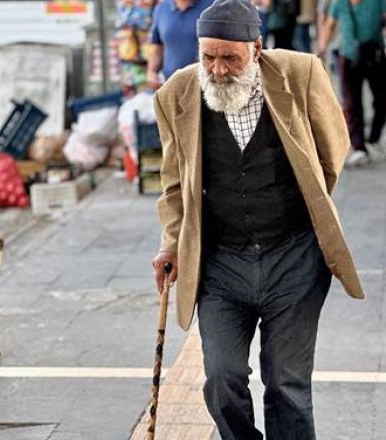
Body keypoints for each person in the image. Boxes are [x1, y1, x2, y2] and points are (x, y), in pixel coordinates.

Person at [149, 0, 364, 438]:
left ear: (257, 48)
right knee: (221, 380)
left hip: (294, 257)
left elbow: (331, 148)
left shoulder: (301, 73)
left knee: (286, 384)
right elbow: (174, 183)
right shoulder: (177, 93)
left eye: (230, 57)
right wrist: (171, 243)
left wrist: (309, 199)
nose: (218, 69)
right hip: (220, 263)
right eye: (208, 56)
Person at [318, 0, 386, 166]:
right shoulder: (339, 3)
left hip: (374, 54)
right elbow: (330, 24)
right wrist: (321, 49)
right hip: (348, 56)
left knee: (382, 98)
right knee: (351, 103)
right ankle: (359, 147)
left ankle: (373, 138)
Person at [146, 0, 216, 88]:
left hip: (204, 85)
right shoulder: (161, 9)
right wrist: (152, 72)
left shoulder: (213, 6)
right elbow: (158, 47)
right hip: (170, 84)